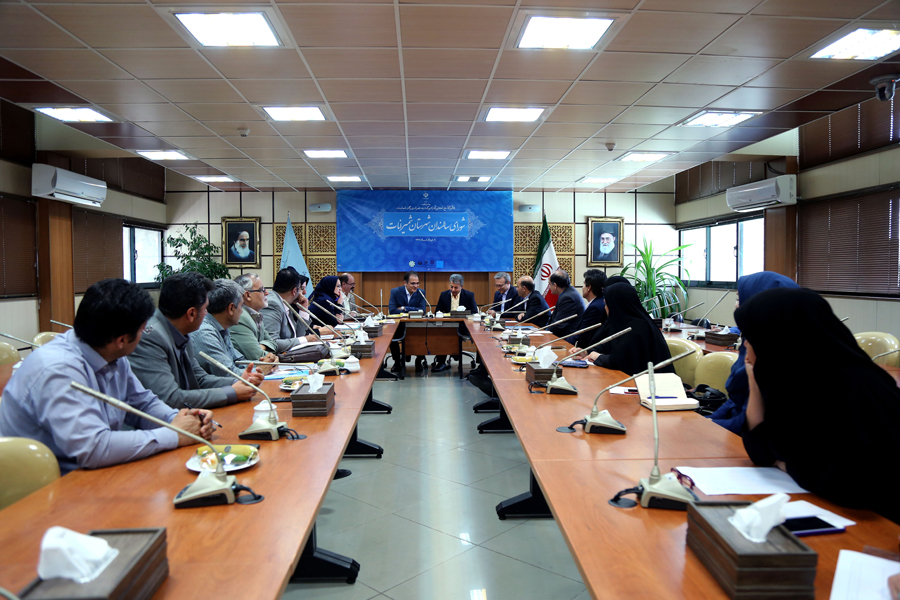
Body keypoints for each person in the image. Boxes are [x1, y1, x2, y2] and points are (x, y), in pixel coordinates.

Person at [0, 279, 214, 475]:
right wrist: (175, 435)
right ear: (122, 340)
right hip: (44, 484)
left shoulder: (111, 351)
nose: (144, 335)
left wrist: (180, 420)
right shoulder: (58, 370)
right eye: (142, 330)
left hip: (91, 472)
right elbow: (93, 448)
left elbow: (142, 403)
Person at [736, 287, 900, 524]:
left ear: (778, 335)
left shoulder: (853, 386)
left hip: (878, 520)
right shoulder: (790, 377)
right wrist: (753, 379)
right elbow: (760, 452)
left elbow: (848, 484)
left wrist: (784, 463)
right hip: (831, 505)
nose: (745, 344)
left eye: (752, 336)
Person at [129, 272, 261, 409]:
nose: (206, 313)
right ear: (191, 313)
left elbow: (199, 379)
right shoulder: (150, 336)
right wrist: (232, 393)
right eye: (205, 309)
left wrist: (238, 381)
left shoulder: (181, 330)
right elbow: (169, 398)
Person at [707, 272, 798, 434]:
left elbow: (752, 422)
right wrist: (707, 421)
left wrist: (707, 427)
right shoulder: (755, 337)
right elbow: (735, 401)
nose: (737, 305)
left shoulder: (782, 354)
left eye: (740, 299)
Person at [583, 282, 674, 376]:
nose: (605, 308)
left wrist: (598, 357)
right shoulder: (624, 323)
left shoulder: (637, 328)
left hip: (651, 382)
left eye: (606, 304)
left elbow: (621, 362)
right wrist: (586, 352)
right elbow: (608, 345)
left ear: (616, 305)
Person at [192, 279, 274, 374]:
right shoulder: (205, 334)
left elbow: (238, 361)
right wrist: (260, 370)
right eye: (241, 306)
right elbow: (227, 373)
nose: (242, 311)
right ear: (231, 308)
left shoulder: (222, 328)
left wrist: (265, 363)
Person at [231, 273, 305, 361]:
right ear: (248, 295)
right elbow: (258, 356)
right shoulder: (241, 318)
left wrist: (263, 346)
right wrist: (273, 355)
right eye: (262, 289)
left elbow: (273, 343)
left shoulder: (256, 315)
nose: (267, 293)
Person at [432, 274, 478, 372]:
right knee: (441, 334)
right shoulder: (444, 295)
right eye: (451, 287)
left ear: (462, 286)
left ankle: (456, 353)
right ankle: (441, 362)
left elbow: (474, 312)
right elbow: (437, 312)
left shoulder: (469, 295)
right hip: (447, 325)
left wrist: (463, 313)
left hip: (463, 326)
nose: (453, 290)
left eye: (456, 287)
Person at [388, 271, 428, 372]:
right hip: (399, 326)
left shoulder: (421, 292)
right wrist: (414, 310)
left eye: (417, 283)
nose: (416, 286)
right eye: (413, 283)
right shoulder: (395, 292)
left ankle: (419, 360)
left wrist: (404, 308)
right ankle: (397, 362)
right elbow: (392, 310)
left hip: (416, 325)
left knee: (424, 334)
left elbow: (422, 310)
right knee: (392, 336)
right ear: (405, 283)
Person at [261, 267, 311, 342]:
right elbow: (271, 342)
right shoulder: (272, 304)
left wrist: (303, 311)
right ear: (294, 291)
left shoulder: (285, 303)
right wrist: (304, 340)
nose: (304, 293)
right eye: (301, 288)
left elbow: (298, 335)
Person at [570, 269, 607, 348]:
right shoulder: (599, 302)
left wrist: (561, 342)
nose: (582, 287)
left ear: (589, 287)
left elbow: (582, 335)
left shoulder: (595, 307)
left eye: (584, 284)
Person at [545, 269, 585, 340]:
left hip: (567, 339)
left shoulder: (567, 298)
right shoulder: (569, 293)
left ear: (555, 285)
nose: (549, 287)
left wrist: (545, 334)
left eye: (549, 284)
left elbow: (559, 325)